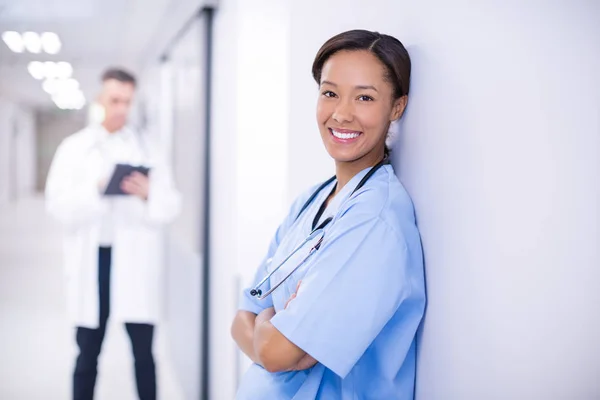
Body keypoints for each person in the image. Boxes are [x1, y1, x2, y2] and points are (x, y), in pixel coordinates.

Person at [231, 29, 426, 399]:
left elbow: (276, 352)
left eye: (364, 97)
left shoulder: (374, 221)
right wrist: (271, 329)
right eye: (330, 93)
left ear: (396, 108)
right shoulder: (313, 200)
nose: (341, 113)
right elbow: (243, 314)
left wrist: (269, 324)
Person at [45, 68, 181, 400]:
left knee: (144, 353)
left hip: (134, 262)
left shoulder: (148, 149)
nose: (121, 108)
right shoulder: (74, 148)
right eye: (114, 100)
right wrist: (96, 189)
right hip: (93, 262)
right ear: (100, 100)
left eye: (127, 101)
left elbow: (171, 204)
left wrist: (148, 193)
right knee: (87, 353)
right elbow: (57, 205)